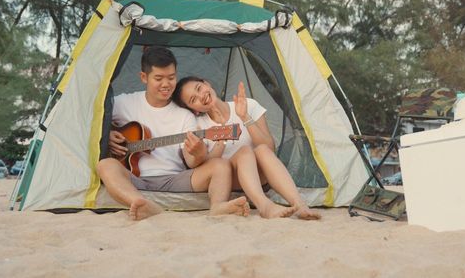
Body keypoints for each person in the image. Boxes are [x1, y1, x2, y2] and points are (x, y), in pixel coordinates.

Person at [97, 47, 249, 220]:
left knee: (221, 165)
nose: (166, 84)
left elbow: (191, 161)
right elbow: (93, 115)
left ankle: (218, 207)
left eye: (171, 78)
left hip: (175, 179)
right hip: (134, 177)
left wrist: (197, 153)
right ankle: (142, 203)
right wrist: (107, 133)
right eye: (158, 78)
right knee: (105, 165)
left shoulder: (184, 115)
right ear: (143, 77)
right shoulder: (124, 103)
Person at [171, 77, 321, 220]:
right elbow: (211, 166)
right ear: (194, 110)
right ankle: (265, 206)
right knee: (245, 151)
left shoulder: (248, 105)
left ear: (207, 84)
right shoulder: (199, 125)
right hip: (231, 179)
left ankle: (300, 205)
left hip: (260, 174)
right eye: (193, 99)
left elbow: (269, 147)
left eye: (199, 88)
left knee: (261, 150)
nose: (201, 96)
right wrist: (221, 141)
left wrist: (244, 117)